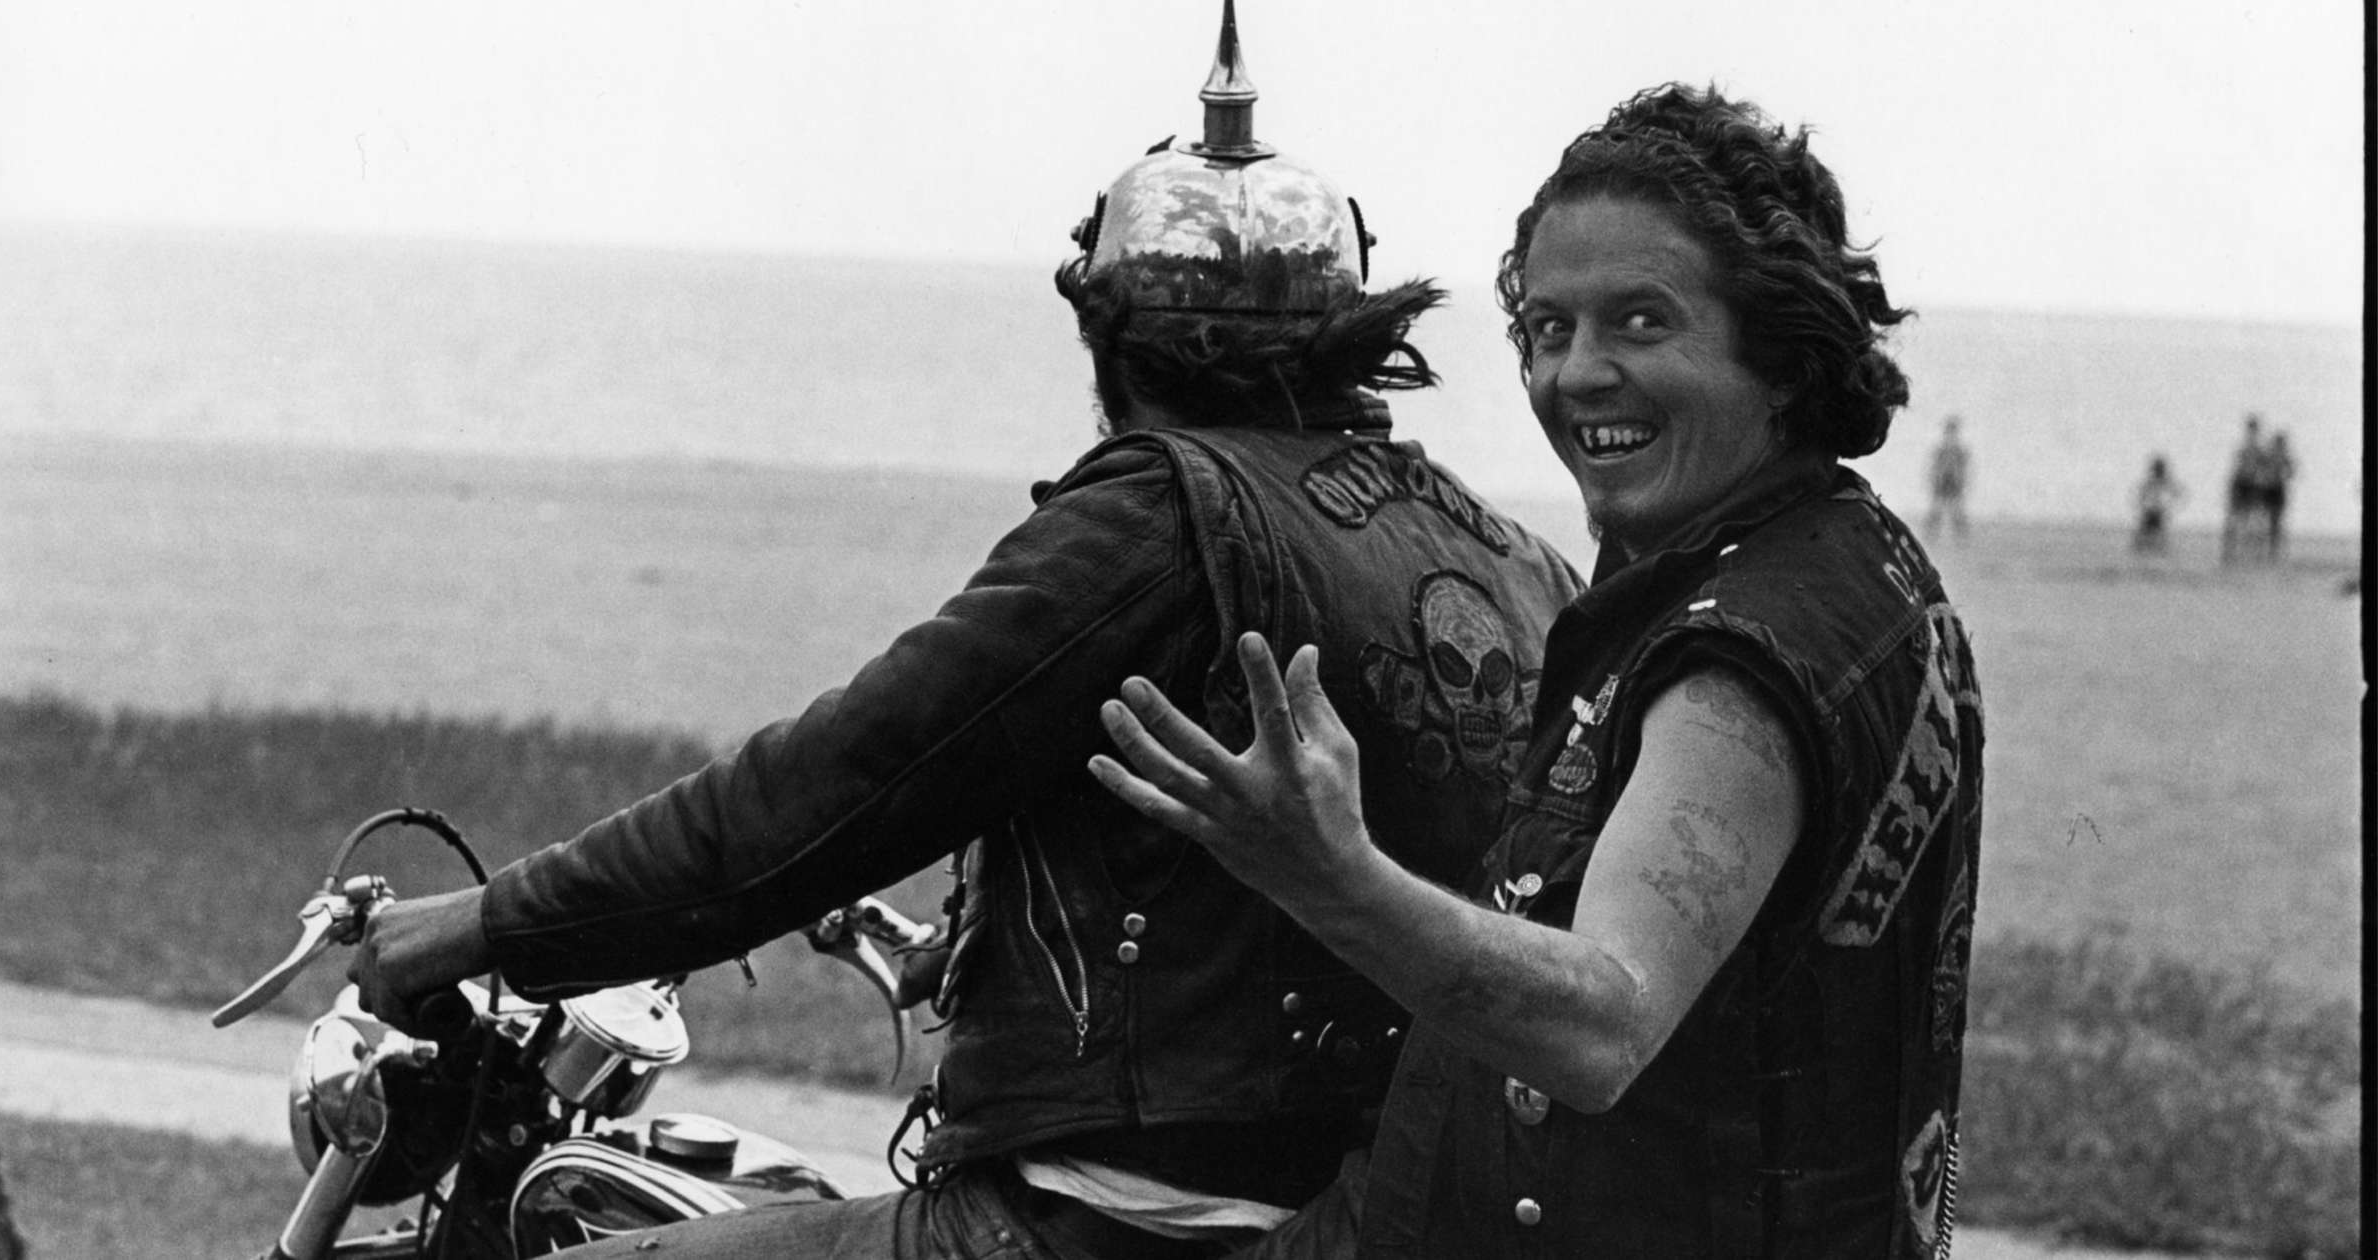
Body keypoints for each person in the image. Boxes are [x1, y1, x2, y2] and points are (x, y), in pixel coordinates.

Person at [346, 9, 1582, 1258]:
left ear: (1108, 337)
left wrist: (489, 923)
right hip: (1371, 1214)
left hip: (1120, 1221)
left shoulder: (1161, 515)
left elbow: (820, 796)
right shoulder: (1511, 556)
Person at [1093, 83, 1984, 1258]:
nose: (1578, 375)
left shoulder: (1732, 669)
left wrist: (1325, 872)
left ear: (1779, 352)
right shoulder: (1860, 561)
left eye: (1641, 323)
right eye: (1550, 329)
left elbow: (1602, 1027)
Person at [2220, 412, 2270, 564]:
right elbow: (2237, 468)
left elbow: (2263, 468)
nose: (2252, 430)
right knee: (2236, 519)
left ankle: (2252, 553)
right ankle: (2231, 552)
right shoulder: (2244, 446)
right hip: (2242, 484)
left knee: (2253, 520)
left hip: (2252, 485)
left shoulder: (2258, 448)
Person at [1925, 415, 1971, 540]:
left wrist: (1962, 481)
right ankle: (1931, 534)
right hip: (1942, 481)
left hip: (1954, 481)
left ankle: (1961, 535)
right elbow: (1935, 466)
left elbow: (1963, 467)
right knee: (1937, 509)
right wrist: (1935, 479)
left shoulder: (1959, 450)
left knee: (1957, 509)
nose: (1951, 434)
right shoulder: (1941, 449)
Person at [2132, 454, 2185, 554]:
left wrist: (2170, 506)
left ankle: (2157, 550)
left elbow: (2178, 493)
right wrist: (2142, 504)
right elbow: (2141, 493)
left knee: (2157, 533)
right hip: (2150, 510)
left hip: (2158, 511)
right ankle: (2146, 550)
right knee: (2144, 534)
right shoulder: (2151, 481)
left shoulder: (2165, 481)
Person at [2261, 429, 2297, 560]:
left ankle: (2273, 550)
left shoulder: (2283, 457)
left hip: (2277, 490)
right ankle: (2267, 549)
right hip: (2269, 490)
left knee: (2276, 521)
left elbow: (2292, 472)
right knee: (2267, 520)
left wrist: (2283, 474)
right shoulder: (2269, 455)